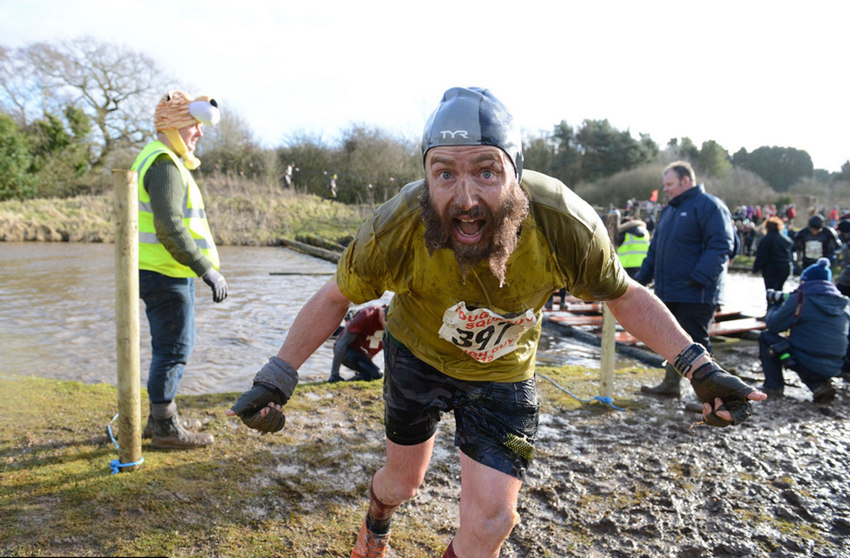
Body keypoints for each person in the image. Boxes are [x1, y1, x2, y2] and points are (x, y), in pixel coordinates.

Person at [226, 87, 764, 558]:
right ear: (426, 177)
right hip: (418, 358)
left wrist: (698, 366)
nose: (465, 199)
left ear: (516, 173)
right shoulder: (396, 225)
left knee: (493, 521)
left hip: (504, 372)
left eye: (486, 171)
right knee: (401, 483)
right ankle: (376, 523)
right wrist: (278, 375)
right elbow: (334, 296)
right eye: (445, 174)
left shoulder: (564, 223)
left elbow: (623, 296)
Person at [133, 90, 227, 449]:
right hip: (165, 273)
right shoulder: (164, 165)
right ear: (174, 126)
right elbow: (170, 228)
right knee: (174, 349)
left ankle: (156, 420)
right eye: (194, 125)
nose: (199, 133)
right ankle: (165, 429)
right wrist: (208, 270)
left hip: (165, 271)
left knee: (168, 347)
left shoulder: (159, 159)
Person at [634, 161, 737, 398]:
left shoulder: (709, 206)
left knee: (698, 343)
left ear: (686, 181)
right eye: (665, 185)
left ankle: (714, 396)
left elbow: (722, 244)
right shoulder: (669, 211)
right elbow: (655, 251)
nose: (666, 189)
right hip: (669, 290)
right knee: (670, 340)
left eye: (670, 184)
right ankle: (671, 385)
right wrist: (639, 281)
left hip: (697, 292)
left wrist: (700, 278)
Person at [758, 258, 849, 403]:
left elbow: (774, 325)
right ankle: (819, 385)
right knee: (810, 349)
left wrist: (775, 306)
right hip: (836, 364)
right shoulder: (844, 303)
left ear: (805, 281)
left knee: (767, 337)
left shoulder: (800, 299)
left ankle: (773, 386)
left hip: (807, 362)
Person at [329, 304, 388, 382]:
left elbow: (373, 350)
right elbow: (340, 344)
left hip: (359, 352)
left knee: (376, 374)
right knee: (376, 374)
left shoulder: (389, 326)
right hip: (347, 351)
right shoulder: (367, 315)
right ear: (383, 317)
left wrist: (366, 367)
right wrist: (334, 374)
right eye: (389, 325)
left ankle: (353, 379)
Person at [752, 216, 793, 293]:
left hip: (771, 269)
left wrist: (755, 269)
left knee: (770, 291)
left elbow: (761, 256)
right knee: (779, 290)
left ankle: (771, 304)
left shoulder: (765, 240)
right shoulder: (786, 240)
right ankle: (779, 304)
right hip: (785, 268)